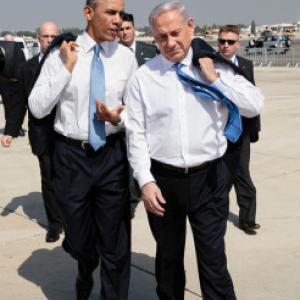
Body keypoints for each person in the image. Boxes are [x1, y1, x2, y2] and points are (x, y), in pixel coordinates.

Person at [125, 2, 264, 300]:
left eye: (175, 32)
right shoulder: (143, 78)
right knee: (169, 260)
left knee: (213, 261)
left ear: (190, 26)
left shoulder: (214, 66)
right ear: (153, 36)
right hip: (163, 182)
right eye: (161, 37)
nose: (170, 42)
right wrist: (145, 181)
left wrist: (215, 79)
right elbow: (135, 134)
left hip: (210, 179)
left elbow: (254, 104)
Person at [29, 0, 137, 299]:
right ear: (89, 13)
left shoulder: (126, 58)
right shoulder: (63, 54)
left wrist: (119, 118)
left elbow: (137, 110)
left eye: (120, 13)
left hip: (112, 155)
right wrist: (66, 68)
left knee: (116, 244)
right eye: (110, 13)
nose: (118, 20)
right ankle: (85, 264)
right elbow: (37, 108)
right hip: (71, 157)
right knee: (78, 240)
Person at [1, 22, 64, 243]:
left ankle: (72, 219)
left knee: (69, 179)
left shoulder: (71, 64)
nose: (49, 40)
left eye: (53, 36)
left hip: (68, 134)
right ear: (38, 39)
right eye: (45, 36)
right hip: (42, 135)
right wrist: (10, 130)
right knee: (48, 180)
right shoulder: (27, 68)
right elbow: (20, 102)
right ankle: (55, 225)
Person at [218, 25, 261, 235]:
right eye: (222, 41)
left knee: (243, 175)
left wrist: (255, 130)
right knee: (220, 179)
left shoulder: (246, 65)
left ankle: (248, 220)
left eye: (230, 42)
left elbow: (252, 98)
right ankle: (216, 217)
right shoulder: (209, 64)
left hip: (241, 132)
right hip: (218, 133)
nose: (225, 45)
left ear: (238, 44)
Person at [117, 12, 158, 218]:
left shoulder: (149, 51)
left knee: (148, 152)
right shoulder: (113, 54)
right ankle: (132, 199)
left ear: (134, 29)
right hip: (124, 114)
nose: (124, 32)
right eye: (121, 29)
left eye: (127, 28)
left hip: (148, 111)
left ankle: (148, 185)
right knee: (128, 155)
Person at [0, 34, 26, 137]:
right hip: (5, 84)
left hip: (18, 83)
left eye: (11, 42)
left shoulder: (20, 51)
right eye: (7, 42)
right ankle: (11, 128)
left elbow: (24, 65)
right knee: (8, 107)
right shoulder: (1, 52)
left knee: (19, 107)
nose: (9, 44)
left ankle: (18, 126)